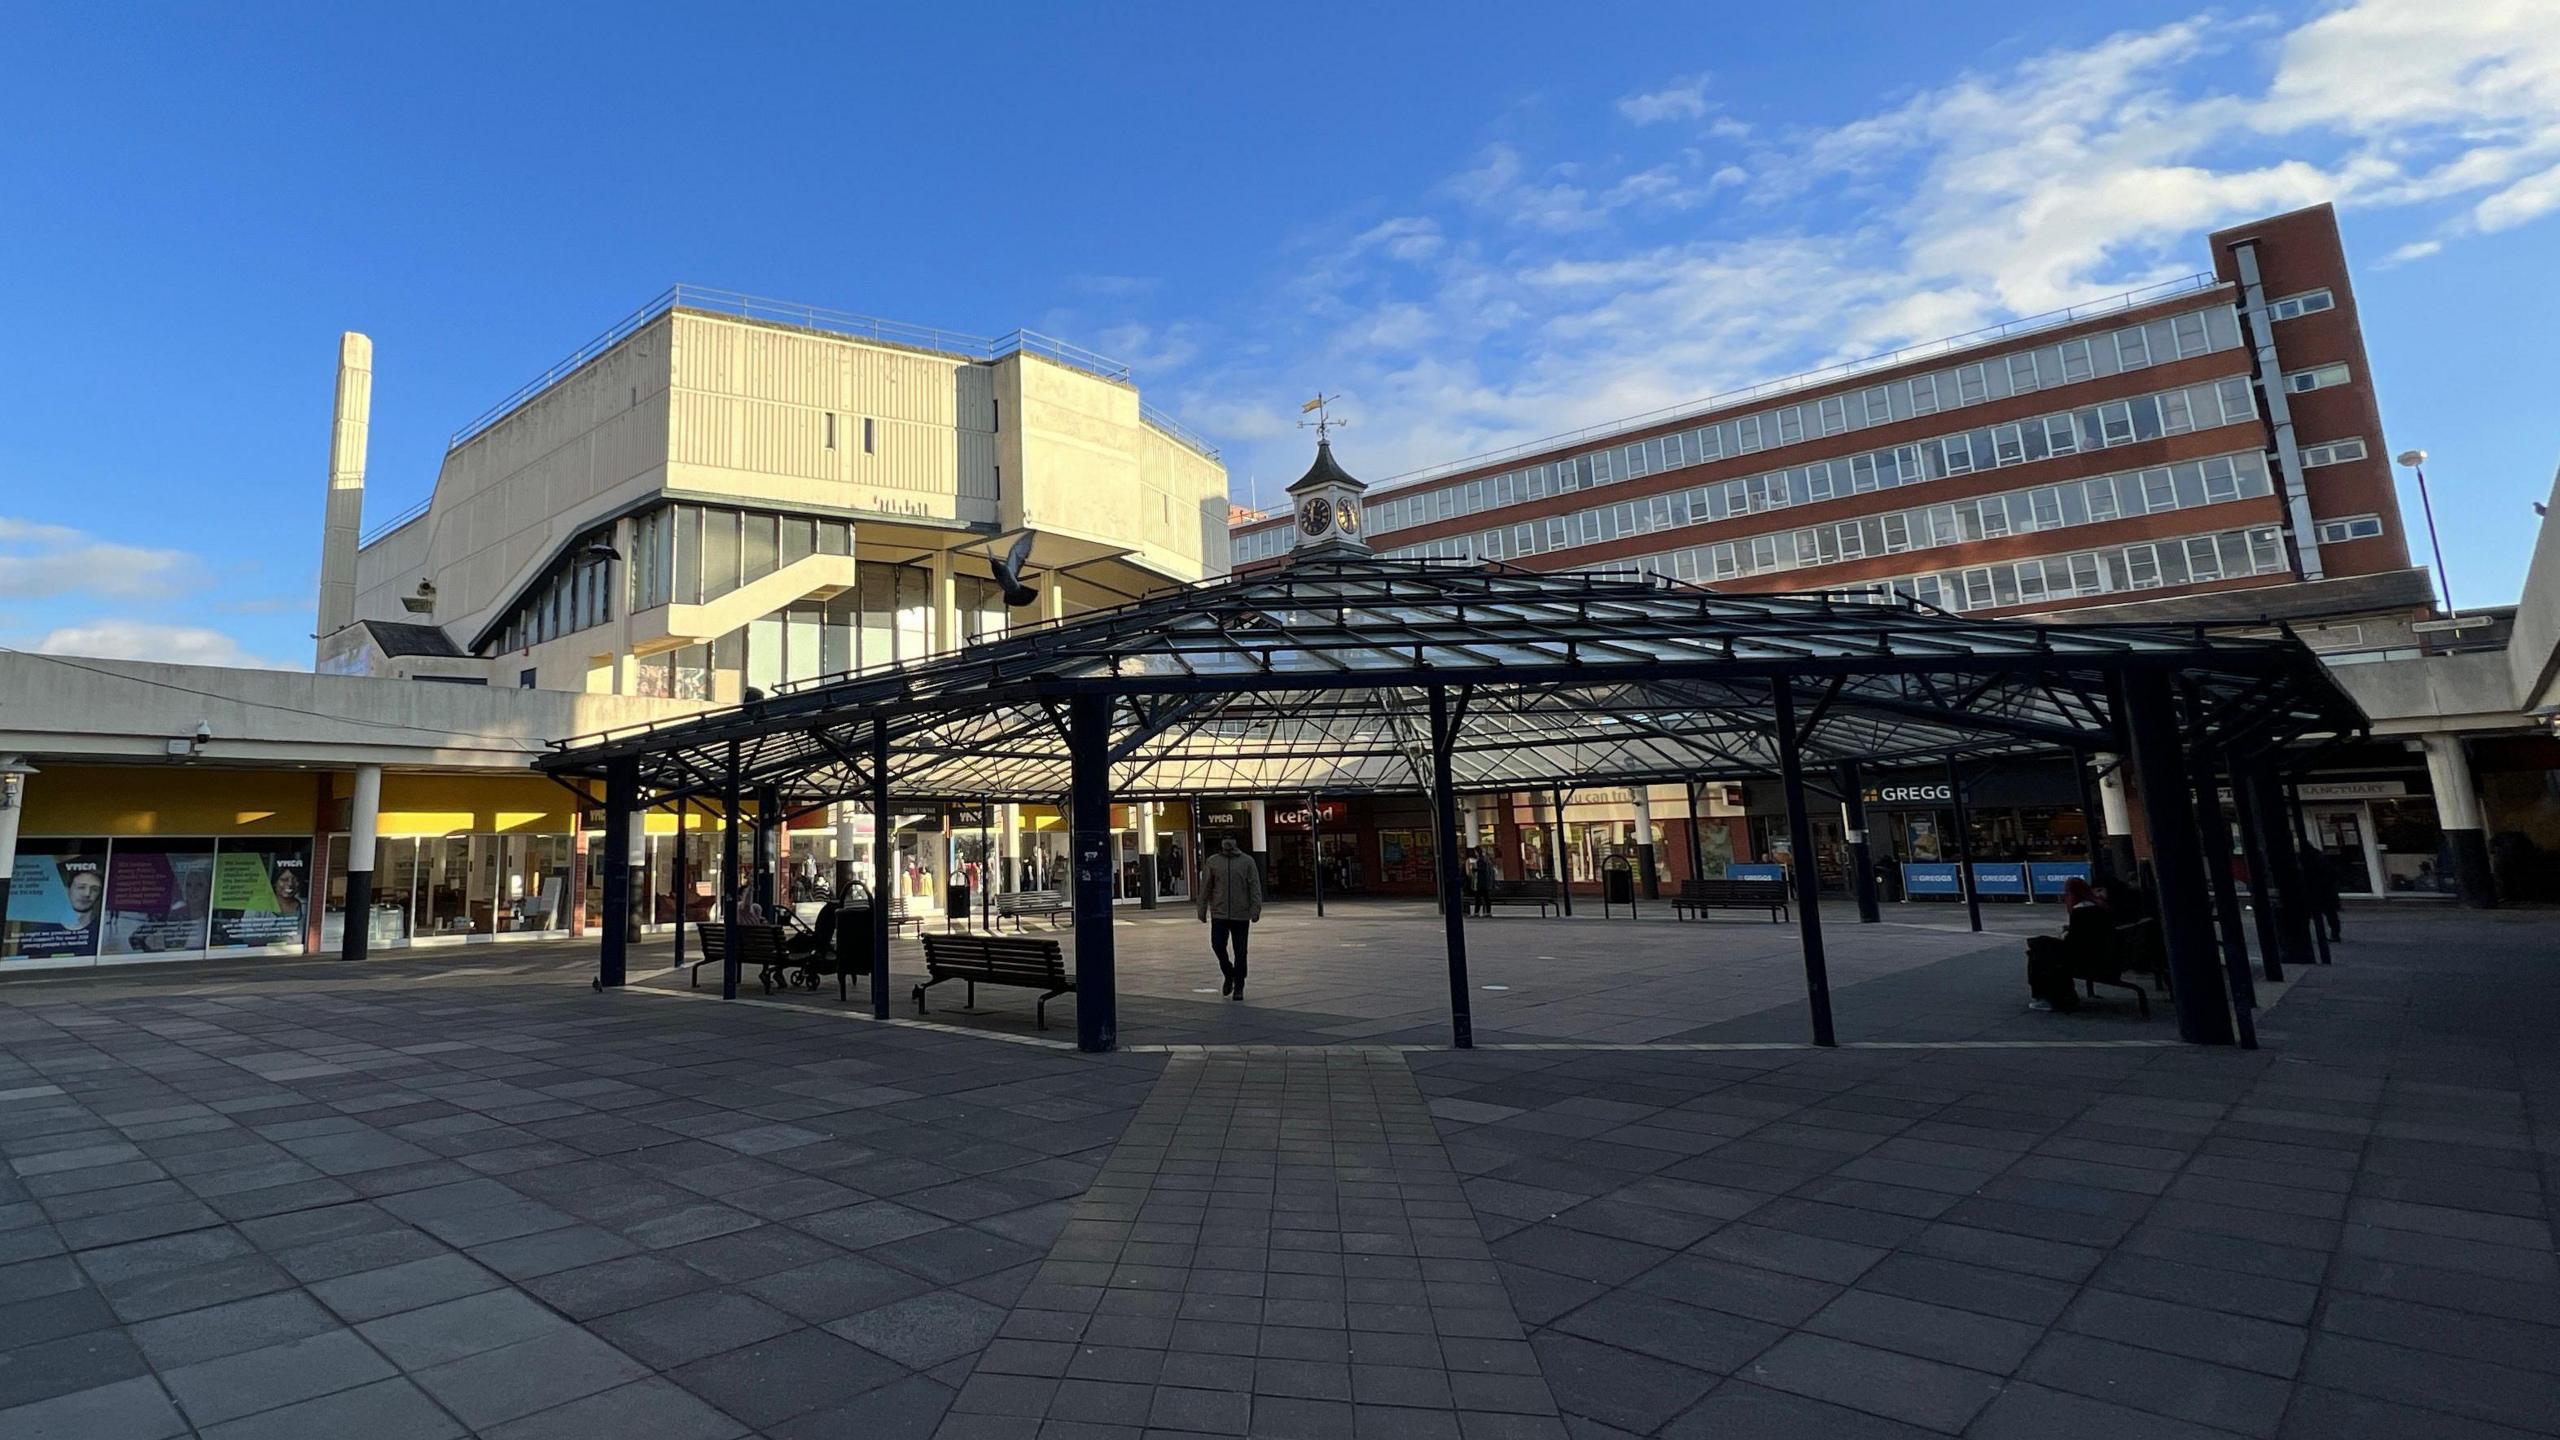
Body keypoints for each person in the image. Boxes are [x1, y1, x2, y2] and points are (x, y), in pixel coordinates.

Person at [2025, 876, 2114, 1011]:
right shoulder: (2098, 906)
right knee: (2040, 947)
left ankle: (2048, 997)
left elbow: (2074, 942)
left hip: (2087, 957)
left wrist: (2064, 934)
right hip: (2101, 952)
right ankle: (2056, 995)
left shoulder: (2081, 911)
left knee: (2039, 952)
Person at [1196, 835, 1264, 999]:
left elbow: (1254, 886)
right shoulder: (1213, 862)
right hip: (1219, 913)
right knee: (1217, 945)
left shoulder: (1247, 862)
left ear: (1236, 841)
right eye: (1225, 839)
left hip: (1241, 914)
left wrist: (1255, 909)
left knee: (1241, 952)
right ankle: (1229, 972)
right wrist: (1202, 908)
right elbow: (1206, 886)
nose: (1228, 842)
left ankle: (1239, 985)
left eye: (1231, 839)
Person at [2304, 850, 2343, 942]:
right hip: (2324, 891)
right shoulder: (2320, 857)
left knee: (2314, 913)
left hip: (2318, 891)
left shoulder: (2311, 860)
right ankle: (2334, 934)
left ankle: (2326, 934)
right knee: (2329, 913)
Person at [1469, 846, 1496, 917]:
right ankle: (1488, 912)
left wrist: (1474, 869)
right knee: (1486, 897)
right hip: (1485, 882)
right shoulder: (1485, 859)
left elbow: (1481, 869)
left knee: (1478, 898)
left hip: (1481, 882)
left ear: (1477, 852)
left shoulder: (1481, 860)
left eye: (1475, 852)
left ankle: (1477, 912)